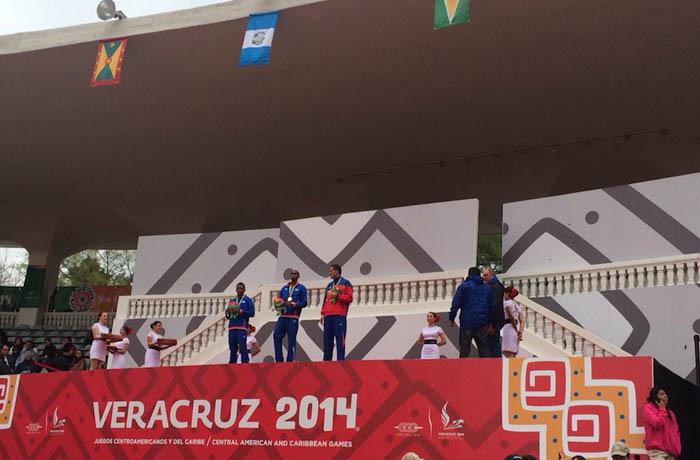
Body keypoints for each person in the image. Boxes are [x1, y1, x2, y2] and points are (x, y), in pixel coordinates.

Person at [449, 267, 493, 358]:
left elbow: (456, 303)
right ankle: (487, 367)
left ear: (469, 274)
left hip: (467, 322)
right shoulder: (487, 288)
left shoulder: (464, 286)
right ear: (479, 275)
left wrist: (451, 318)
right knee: (484, 349)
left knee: (464, 350)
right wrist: (489, 322)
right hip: (482, 323)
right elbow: (491, 306)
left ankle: (463, 367)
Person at [273, 269, 308, 362]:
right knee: (276, 335)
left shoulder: (302, 288)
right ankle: (279, 359)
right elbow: (280, 299)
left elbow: (304, 303)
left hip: (293, 317)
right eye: (291, 273)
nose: (293, 275)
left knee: (291, 339)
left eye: (295, 274)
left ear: (298, 276)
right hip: (282, 316)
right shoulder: (284, 288)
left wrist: (295, 304)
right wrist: (278, 303)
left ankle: (290, 360)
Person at [320, 264, 353, 361]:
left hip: (339, 315)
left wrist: (338, 296)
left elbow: (349, 298)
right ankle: (326, 363)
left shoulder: (346, 283)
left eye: (331, 271)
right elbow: (325, 300)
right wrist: (322, 314)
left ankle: (340, 362)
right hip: (328, 316)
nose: (329, 273)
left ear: (337, 271)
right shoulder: (329, 285)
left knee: (339, 340)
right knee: (327, 341)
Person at [643, 387, 681, 460]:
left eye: (665, 394)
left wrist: (677, 449)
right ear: (655, 397)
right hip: (657, 451)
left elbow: (676, 432)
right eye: (661, 394)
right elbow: (657, 423)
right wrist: (662, 409)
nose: (665, 396)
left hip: (671, 452)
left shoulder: (670, 413)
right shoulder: (648, 408)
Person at [225, 283, 256, 364]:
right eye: (238, 288)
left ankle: (245, 364)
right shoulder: (232, 300)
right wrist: (227, 312)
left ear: (244, 289)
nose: (239, 289)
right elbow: (228, 316)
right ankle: (232, 364)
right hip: (232, 327)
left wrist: (242, 312)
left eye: (241, 288)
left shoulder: (248, 300)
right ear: (236, 289)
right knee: (232, 348)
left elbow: (252, 313)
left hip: (242, 327)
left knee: (242, 347)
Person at [482, 267, 506, 357]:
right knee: (491, 345)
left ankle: (496, 363)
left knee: (493, 345)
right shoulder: (491, 286)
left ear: (492, 275)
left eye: (486, 275)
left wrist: (490, 323)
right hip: (492, 321)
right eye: (483, 275)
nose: (484, 277)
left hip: (493, 322)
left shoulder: (495, 287)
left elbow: (495, 306)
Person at [502, 286, 524, 358]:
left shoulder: (507, 303)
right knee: (513, 353)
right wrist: (520, 331)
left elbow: (511, 316)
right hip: (515, 330)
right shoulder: (517, 305)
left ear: (507, 293)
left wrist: (516, 329)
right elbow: (522, 320)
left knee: (508, 352)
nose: (504, 296)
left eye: (504, 294)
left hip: (509, 328)